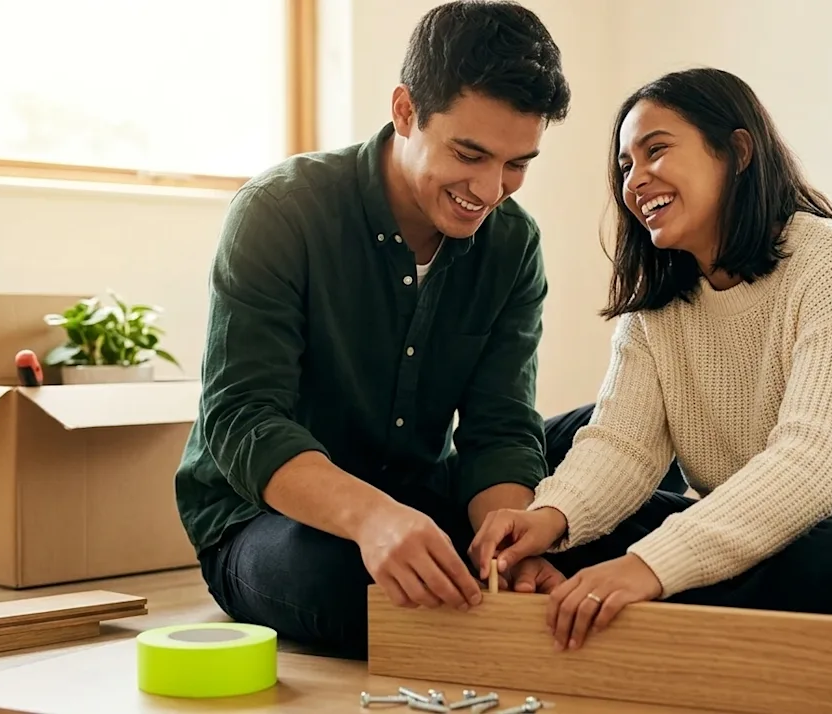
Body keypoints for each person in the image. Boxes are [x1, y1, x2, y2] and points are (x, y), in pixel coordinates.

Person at [470, 67, 832, 652]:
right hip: (769, 550)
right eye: (626, 166)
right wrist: (550, 521)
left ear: (737, 150)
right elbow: (621, 445)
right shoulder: (656, 308)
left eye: (656, 151)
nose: (637, 180)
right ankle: (687, 621)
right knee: (566, 490)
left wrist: (648, 567)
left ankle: (657, 619)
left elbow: (814, 463)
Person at [173, 0, 583, 660]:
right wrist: (373, 518)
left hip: (425, 497)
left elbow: (500, 426)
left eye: (516, 163)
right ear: (404, 111)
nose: (490, 189)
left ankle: (485, 580)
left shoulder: (513, 245)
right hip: (273, 521)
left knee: (599, 461)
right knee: (353, 586)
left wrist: (509, 544)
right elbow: (243, 419)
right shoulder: (281, 211)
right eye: (470, 154)